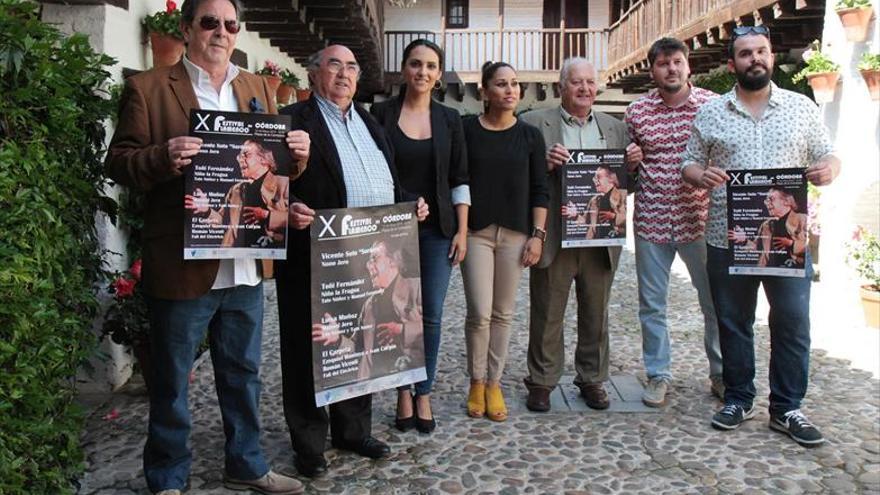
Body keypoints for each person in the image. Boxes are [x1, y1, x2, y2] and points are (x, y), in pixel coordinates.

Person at [104, 1, 309, 494]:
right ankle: (168, 478)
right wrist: (162, 156)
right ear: (186, 28)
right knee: (172, 382)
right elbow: (119, 163)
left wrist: (296, 158)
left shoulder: (258, 88)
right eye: (210, 22)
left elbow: (273, 173)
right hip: (181, 259)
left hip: (243, 263)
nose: (222, 32)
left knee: (244, 376)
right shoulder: (149, 88)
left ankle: (246, 464)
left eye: (231, 24)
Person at [681, 26, 840, 447]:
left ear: (770, 57)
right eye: (746, 53)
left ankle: (787, 407)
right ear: (732, 63)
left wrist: (830, 169)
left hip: (790, 244)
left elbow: (827, 153)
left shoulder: (801, 107)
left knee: (791, 321)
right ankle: (738, 397)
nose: (755, 59)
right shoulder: (712, 112)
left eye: (761, 51)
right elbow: (689, 163)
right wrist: (702, 175)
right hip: (727, 236)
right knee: (733, 322)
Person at [276, 44, 428, 478]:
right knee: (311, 346)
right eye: (334, 65)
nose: (344, 74)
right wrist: (292, 207)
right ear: (312, 74)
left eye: (352, 68)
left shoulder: (369, 121)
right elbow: (271, 183)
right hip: (315, 256)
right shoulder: (292, 119)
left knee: (362, 338)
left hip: (368, 255)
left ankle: (352, 429)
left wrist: (409, 205)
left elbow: (390, 180)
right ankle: (308, 442)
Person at [519, 58, 639, 413]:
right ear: (561, 87)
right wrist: (545, 162)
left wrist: (633, 166)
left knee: (596, 312)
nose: (585, 88)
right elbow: (519, 177)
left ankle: (592, 378)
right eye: (576, 82)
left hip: (601, 236)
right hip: (556, 232)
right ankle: (541, 381)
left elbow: (627, 187)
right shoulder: (534, 123)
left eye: (590, 82)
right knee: (547, 311)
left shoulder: (616, 128)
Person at [370, 39, 469, 434]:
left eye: (430, 66)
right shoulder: (380, 114)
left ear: (439, 73)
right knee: (394, 311)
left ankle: (422, 389)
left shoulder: (450, 119)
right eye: (415, 64)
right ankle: (401, 391)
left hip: (437, 232)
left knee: (428, 315)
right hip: (391, 230)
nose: (422, 72)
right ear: (404, 68)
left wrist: (461, 230)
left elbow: (460, 178)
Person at [623, 37, 723, 408]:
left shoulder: (712, 106)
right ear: (653, 70)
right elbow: (624, 174)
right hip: (651, 220)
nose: (671, 69)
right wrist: (628, 161)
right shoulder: (636, 112)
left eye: (677, 61)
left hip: (699, 220)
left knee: (713, 302)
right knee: (652, 305)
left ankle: (721, 374)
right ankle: (658, 375)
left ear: (688, 66)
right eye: (663, 63)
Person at [461, 61, 549, 422]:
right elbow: (459, 180)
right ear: (484, 91)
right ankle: (476, 380)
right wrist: (460, 231)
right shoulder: (466, 131)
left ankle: (494, 382)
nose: (510, 90)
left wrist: (537, 236)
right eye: (501, 84)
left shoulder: (530, 136)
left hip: (515, 234)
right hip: (477, 233)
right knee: (480, 312)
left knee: (504, 312)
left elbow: (540, 189)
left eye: (515, 84)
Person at [311, 239, 424, 382]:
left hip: (410, 373)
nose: (368, 265)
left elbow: (431, 328)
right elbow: (357, 348)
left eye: (374, 259)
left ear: (393, 261)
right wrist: (338, 339)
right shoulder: (369, 305)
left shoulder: (416, 287)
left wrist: (402, 330)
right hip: (372, 380)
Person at [186, 138, 289, 248]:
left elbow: (293, 220)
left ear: (264, 159)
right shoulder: (235, 190)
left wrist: (267, 216)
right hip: (235, 253)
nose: (240, 160)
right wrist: (207, 211)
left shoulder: (283, 183)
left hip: (270, 254)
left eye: (246, 155)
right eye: (240, 156)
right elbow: (223, 223)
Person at [728, 187, 808, 268]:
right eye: (766, 201)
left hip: (794, 271)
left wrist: (791, 244)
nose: (767, 203)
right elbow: (757, 248)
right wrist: (744, 240)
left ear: (786, 201)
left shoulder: (802, 219)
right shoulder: (766, 225)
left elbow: (809, 247)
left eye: (771, 199)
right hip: (768, 270)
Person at [562, 165, 627, 239]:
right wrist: (576, 215)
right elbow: (586, 222)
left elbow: (630, 219)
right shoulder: (594, 200)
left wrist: (614, 217)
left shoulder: (623, 194)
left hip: (615, 242)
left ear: (611, 179)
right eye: (594, 178)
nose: (594, 180)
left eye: (598, 177)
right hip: (595, 243)